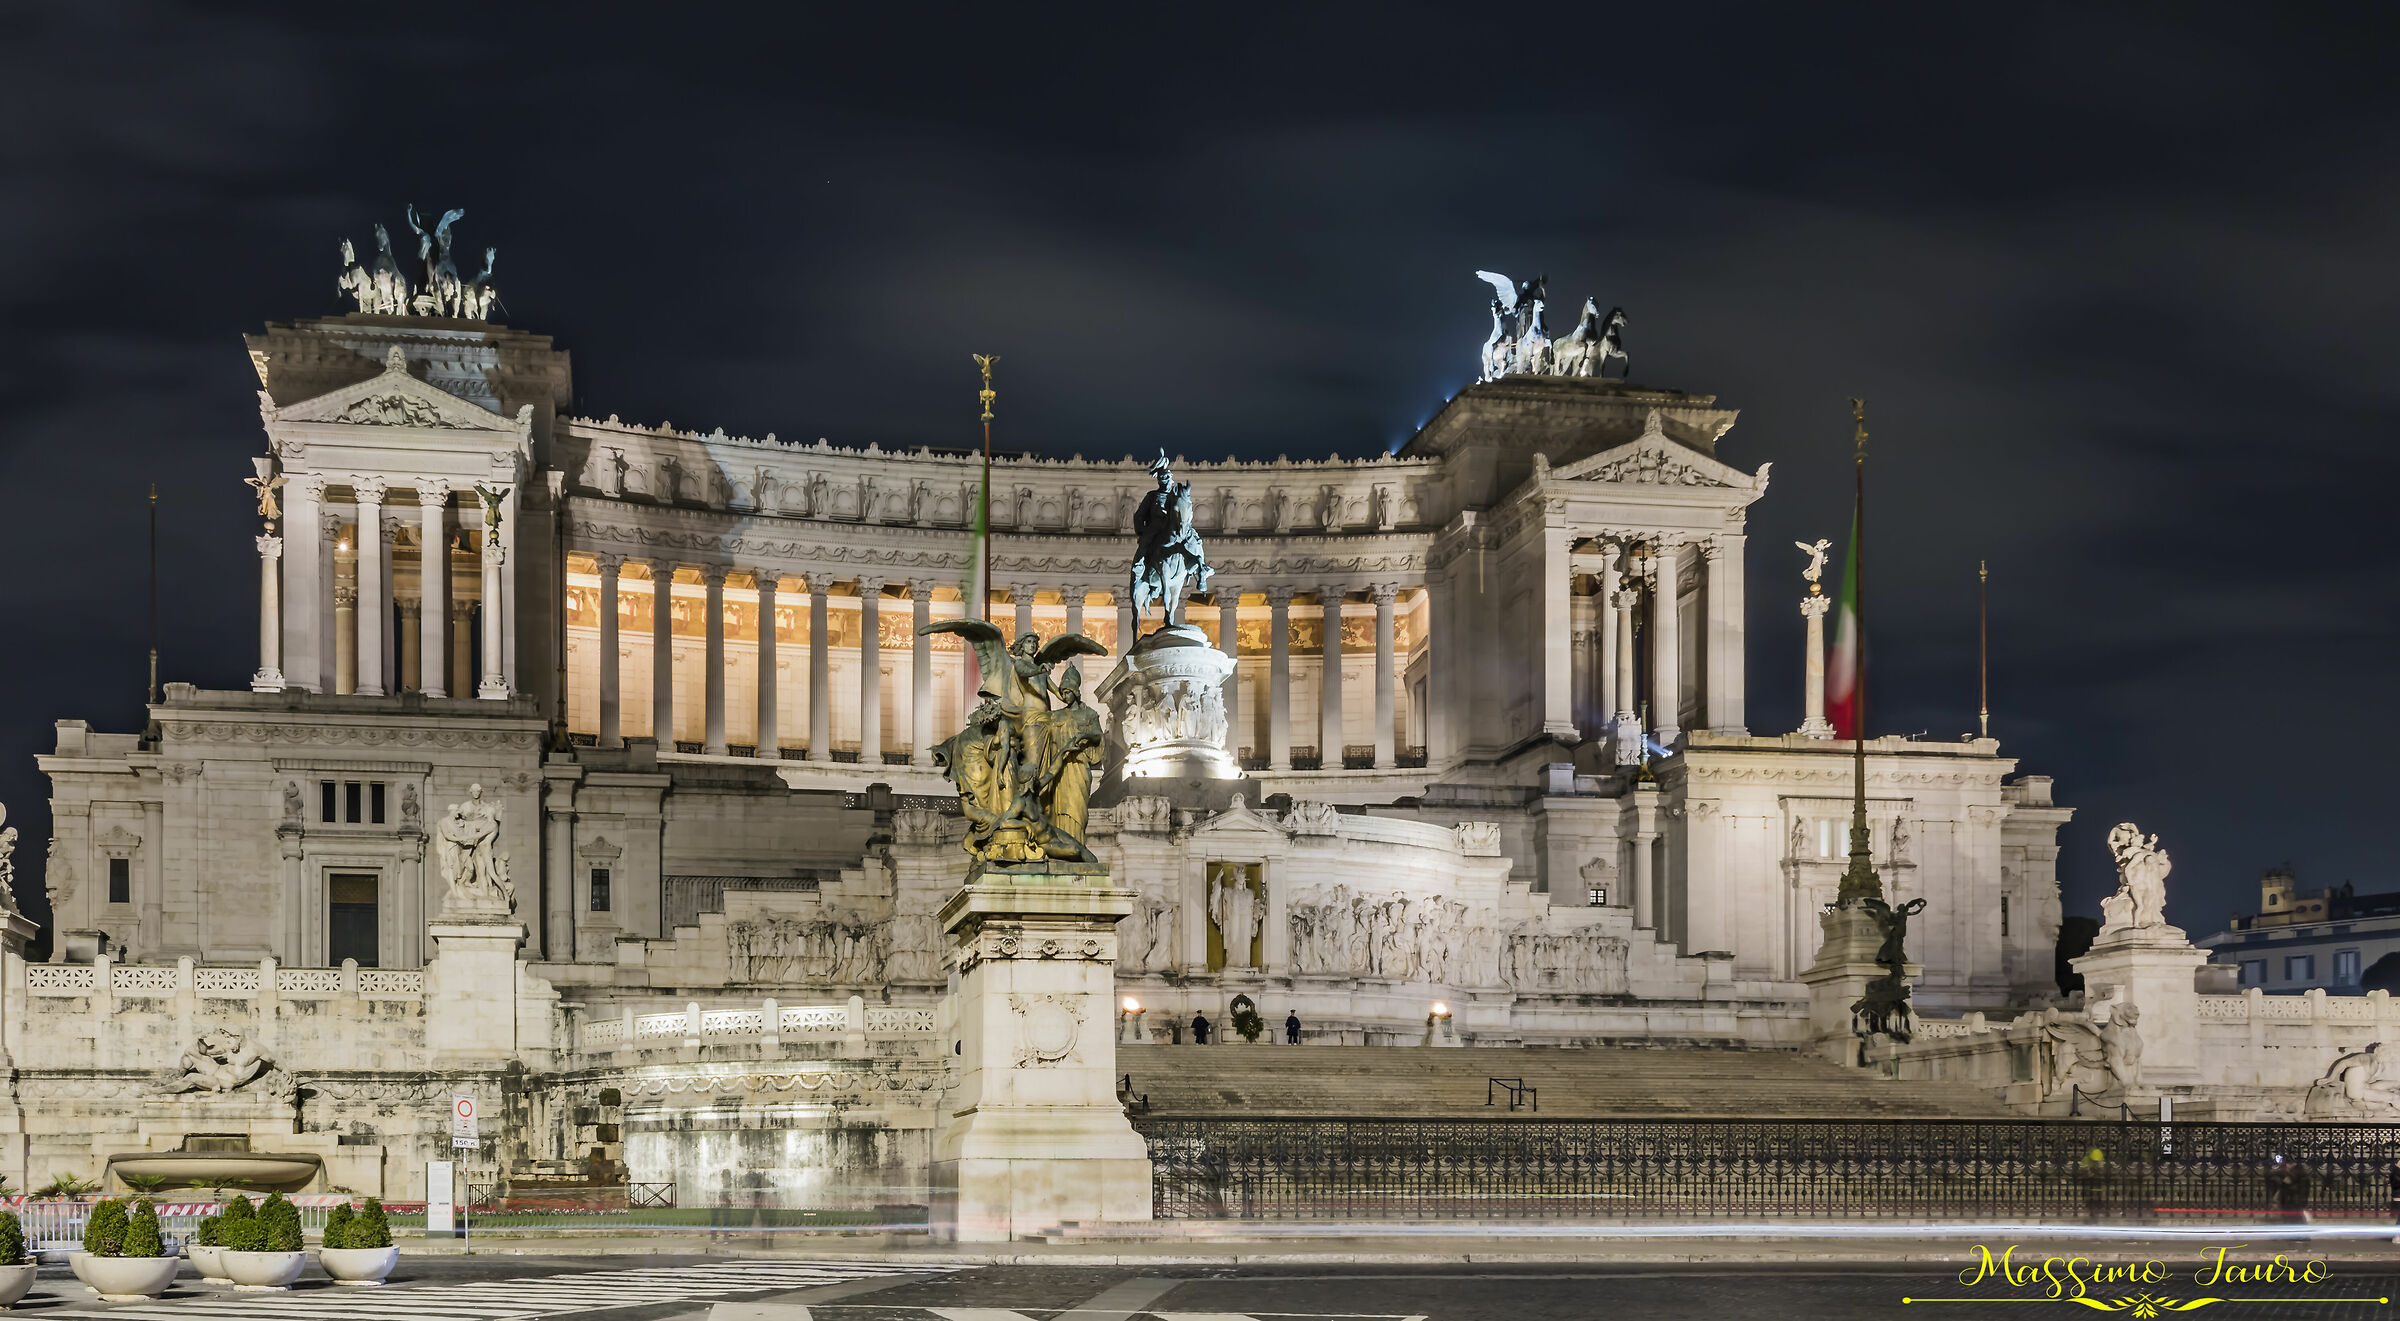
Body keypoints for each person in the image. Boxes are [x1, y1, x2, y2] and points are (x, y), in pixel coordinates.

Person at [2076, 1146, 2109, 1224]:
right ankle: (2092, 1212)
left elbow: (2102, 1169)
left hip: (2096, 1184)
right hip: (2089, 1183)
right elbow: (2083, 1170)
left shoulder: (2098, 1158)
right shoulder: (2086, 1160)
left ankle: (2095, 1212)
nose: (2096, 1162)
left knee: (2096, 1199)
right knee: (2091, 1199)